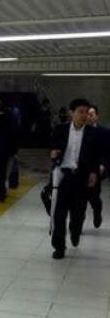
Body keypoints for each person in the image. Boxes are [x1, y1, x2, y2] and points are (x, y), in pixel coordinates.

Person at [49, 98, 101, 259]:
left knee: (78, 215)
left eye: (86, 112)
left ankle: (75, 232)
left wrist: (94, 172)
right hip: (64, 177)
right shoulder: (60, 129)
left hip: (82, 178)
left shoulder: (93, 133)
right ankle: (59, 247)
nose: (84, 115)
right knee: (59, 214)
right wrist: (53, 153)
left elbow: (95, 155)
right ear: (72, 112)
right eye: (80, 112)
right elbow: (53, 146)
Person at [0, 100, 18, 203]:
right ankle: (4, 189)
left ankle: (1, 193)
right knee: (4, 170)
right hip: (7, 151)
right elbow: (14, 135)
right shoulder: (10, 119)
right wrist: (14, 151)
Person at [86, 105, 105, 228]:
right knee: (79, 199)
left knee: (94, 197)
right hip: (80, 170)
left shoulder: (103, 132)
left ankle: (97, 211)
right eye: (87, 114)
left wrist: (102, 165)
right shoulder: (79, 130)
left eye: (91, 114)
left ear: (96, 117)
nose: (88, 117)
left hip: (96, 170)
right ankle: (77, 223)